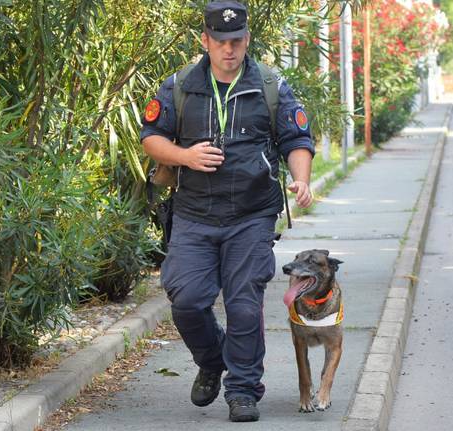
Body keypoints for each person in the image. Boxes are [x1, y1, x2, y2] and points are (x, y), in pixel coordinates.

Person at [140, 0, 314, 423]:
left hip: (251, 216)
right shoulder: (180, 85)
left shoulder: (270, 84)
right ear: (206, 41)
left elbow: (297, 138)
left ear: (247, 40)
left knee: (243, 306)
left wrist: (301, 178)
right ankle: (213, 359)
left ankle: (242, 390)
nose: (229, 49)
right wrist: (184, 156)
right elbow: (151, 137)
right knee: (186, 299)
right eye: (220, 41)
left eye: (236, 41)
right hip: (194, 214)